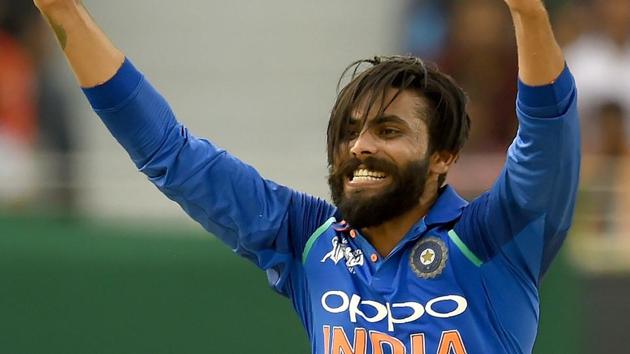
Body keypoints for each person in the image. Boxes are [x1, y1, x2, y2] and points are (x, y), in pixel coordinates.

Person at [32, 0, 579, 353]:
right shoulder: (306, 239)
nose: (360, 144)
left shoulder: (493, 241)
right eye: (349, 131)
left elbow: (548, 138)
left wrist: (528, 14)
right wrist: (65, 13)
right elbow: (170, 154)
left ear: (443, 156)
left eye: (389, 130)